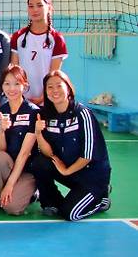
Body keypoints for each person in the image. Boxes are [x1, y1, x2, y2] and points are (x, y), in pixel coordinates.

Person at [33, 70, 111, 221]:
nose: (54, 90)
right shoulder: (46, 116)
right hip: (68, 171)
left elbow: (88, 156)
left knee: (71, 214)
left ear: (68, 88)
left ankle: (101, 198)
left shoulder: (83, 114)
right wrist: (38, 133)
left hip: (92, 176)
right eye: (49, 87)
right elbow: (47, 153)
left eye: (59, 86)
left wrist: (67, 171)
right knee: (39, 163)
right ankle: (52, 203)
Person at [0, 65, 38, 214]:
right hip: (9, 164)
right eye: (7, 83)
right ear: (2, 86)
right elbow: (1, 150)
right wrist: (1, 130)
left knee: (11, 208)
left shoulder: (33, 112)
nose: (11, 88)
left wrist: (10, 185)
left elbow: (24, 154)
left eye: (16, 83)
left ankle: (30, 191)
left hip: (27, 169)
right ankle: (0, 193)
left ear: (24, 85)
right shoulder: (0, 112)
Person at [10, 0, 67, 105]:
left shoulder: (57, 38)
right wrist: (19, 96)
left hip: (47, 99)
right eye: (31, 6)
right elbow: (15, 70)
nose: (35, 10)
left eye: (39, 5)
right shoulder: (18, 36)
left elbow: (54, 74)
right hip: (21, 99)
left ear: (49, 7)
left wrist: (43, 97)